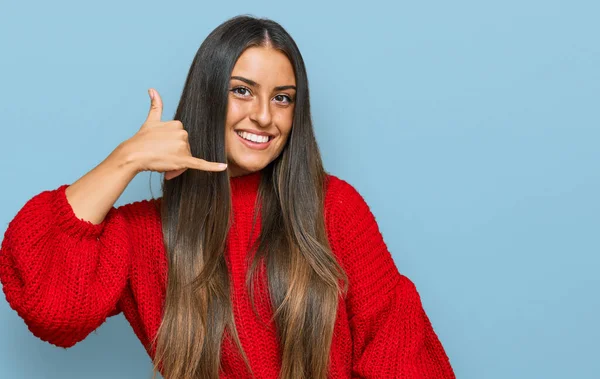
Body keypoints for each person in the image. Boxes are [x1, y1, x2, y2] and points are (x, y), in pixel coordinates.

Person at [0, 15, 455, 379]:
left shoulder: (333, 207)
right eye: (242, 91)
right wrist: (125, 160)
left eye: (282, 98)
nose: (262, 116)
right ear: (208, 96)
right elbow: (50, 308)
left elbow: (399, 350)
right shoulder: (144, 234)